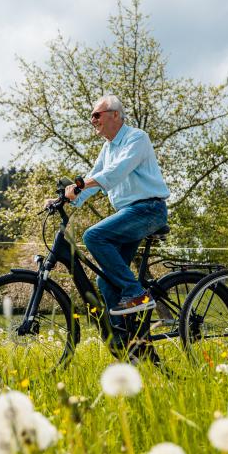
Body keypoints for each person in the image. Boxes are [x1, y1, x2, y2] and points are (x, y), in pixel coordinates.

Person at [59, 94, 170, 320]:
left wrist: (80, 185)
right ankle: (130, 346)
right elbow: (94, 179)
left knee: (93, 236)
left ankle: (136, 293)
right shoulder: (108, 148)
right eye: (91, 117)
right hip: (130, 215)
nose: (93, 120)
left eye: (96, 115)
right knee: (105, 280)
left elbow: (116, 172)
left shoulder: (136, 138)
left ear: (115, 115)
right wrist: (65, 199)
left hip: (148, 210)